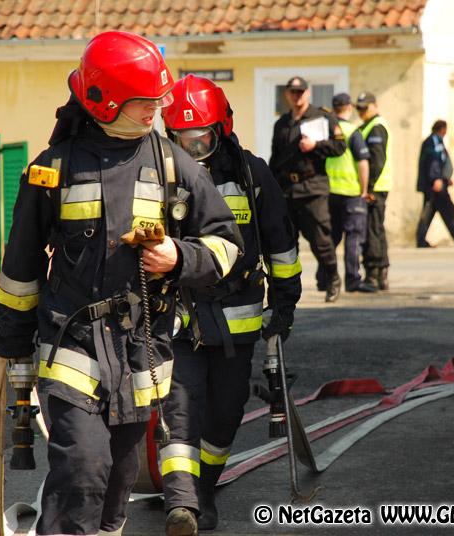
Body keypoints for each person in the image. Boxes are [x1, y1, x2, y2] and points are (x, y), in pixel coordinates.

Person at [0, 31, 242, 536]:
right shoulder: (50, 171)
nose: (154, 111)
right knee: (83, 468)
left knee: (119, 481)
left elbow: (226, 244)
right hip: (73, 344)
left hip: (140, 352)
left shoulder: (174, 163)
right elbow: (19, 269)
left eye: (157, 101)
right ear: (103, 100)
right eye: (143, 102)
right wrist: (14, 346)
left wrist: (179, 256)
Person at [160, 75, 302, 536]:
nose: (192, 147)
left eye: (201, 137)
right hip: (179, 319)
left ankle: (204, 485)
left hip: (235, 321)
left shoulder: (252, 174)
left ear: (221, 129)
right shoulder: (159, 176)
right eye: (182, 138)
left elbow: (281, 244)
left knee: (225, 410)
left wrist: (284, 304)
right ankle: (183, 502)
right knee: (180, 407)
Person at [269, 76, 347, 302]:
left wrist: (316, 145)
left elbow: (340, 146)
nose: (297, 96)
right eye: (293, 92)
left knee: (321, 240)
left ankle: (332, 278)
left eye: (301, 92)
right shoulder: (282, 123)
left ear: (308, 93)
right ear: (287, 95)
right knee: (286, 242)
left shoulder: (322, 117)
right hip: (287, 189)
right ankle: (287, 289)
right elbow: (276, 158)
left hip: (313, 187)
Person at [323, 92, 376, 293]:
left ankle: (326, 279)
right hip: (351, 192)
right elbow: (363, 163)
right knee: (353, 237)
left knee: (329, 238)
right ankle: (352, 280)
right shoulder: (353, 131)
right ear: (349, 107)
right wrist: (364, 189)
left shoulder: (326, 130)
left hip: (328, 192)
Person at [356, 92, 392, 291]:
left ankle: (374, 273)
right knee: (376, 229)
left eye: (365, 107)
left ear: (374, 105)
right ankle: (381, 271)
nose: (361, 111)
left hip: (375, 188)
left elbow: (377, 161)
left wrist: (367, 187)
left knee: (372, 231)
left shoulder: (376, 127)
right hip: (375, 186)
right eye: (359, 108)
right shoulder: (368, 126)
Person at [415, 120, 454, 247]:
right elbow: (433, 161)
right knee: (448, 210)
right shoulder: (433, 141)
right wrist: (437, 179)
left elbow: (441, 161)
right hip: (435, 185)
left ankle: (421, 240)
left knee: (428, 213)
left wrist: (445, 178)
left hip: (437, 183)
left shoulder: (436, 141)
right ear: (442, 129)